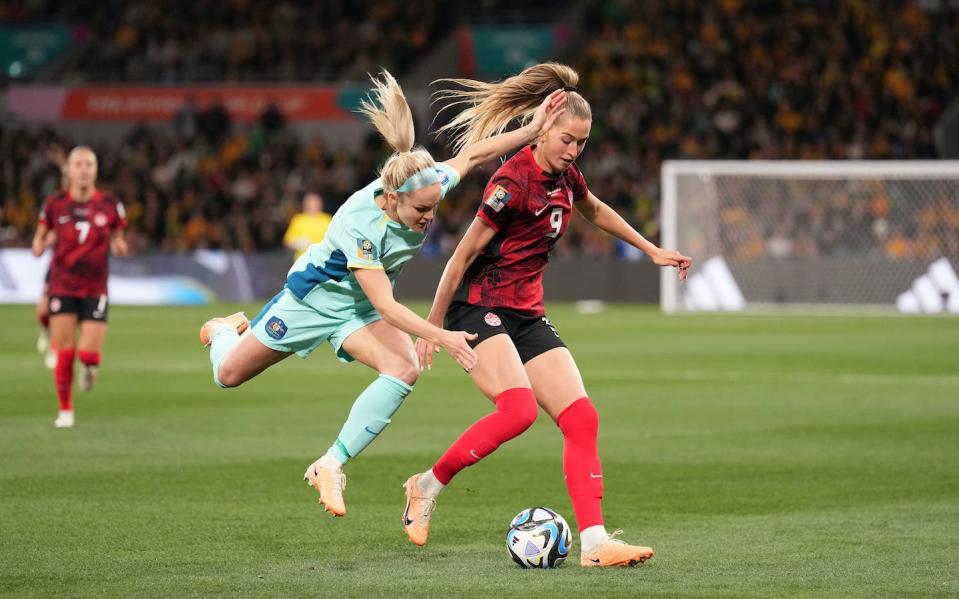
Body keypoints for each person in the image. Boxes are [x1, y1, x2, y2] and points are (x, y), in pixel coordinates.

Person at [197, 71, 568, 517]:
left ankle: (330, 464)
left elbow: (472, 155)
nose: (430, 217)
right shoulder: (362, 225)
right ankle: (222, 330)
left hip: (354, 308)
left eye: (434, 206)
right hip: (312, 302)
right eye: (421, 210)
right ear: (392, 199)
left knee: (403, 367)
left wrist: (532, 129)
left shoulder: (423, 183)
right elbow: (385, 306)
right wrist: (442, 333)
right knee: (228, 375)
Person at [401, 63, 692, 567]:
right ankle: (425, 486)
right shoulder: (511, 180)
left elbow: (595, 210)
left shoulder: (566, 176)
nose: (574, 150)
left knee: (582, 417)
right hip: (478, 308)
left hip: (526, 315)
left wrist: (652, 250)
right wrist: (433, 325)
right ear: (544, 130)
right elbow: (461, 256)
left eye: (582, 142)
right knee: (518, 412)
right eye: (567, 139)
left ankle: (596, 543)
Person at [32, 146, 129, 428]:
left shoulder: (110, 204)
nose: (84, 169)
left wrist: (120, 246)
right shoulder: (54, 204)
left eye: (89, 164)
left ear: (96, 170)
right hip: (62, 285)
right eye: (79, 164)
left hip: (96, 287)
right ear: (69, 170)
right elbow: (38, 241)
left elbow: (118, 237)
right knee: (65, 351)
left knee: (88, 354)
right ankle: (65, 410)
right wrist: (41, 245)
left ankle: (89, 367)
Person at [283, 192, 333, 261]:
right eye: (309, 202)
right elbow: (287, 241)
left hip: (323, 260)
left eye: (315, 202)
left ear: (320, 204)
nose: (312, 204)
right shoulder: (298, 220)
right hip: (302, 262)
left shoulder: (327, 220)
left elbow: (335, 241)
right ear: (304, 204)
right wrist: (296, 243)